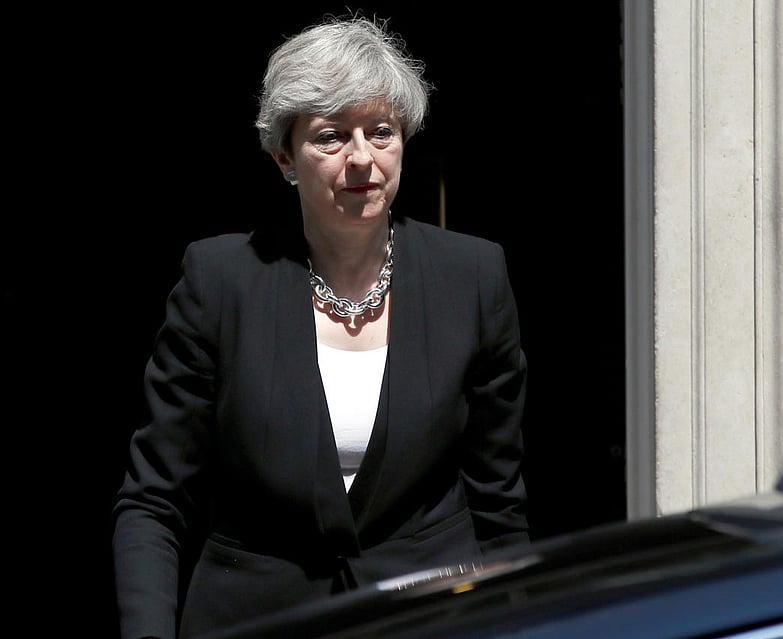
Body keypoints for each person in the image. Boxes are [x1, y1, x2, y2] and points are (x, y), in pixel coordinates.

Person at [111, 14, 529, 639]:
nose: (362, 158)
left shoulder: (473, 274)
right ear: (284, 157)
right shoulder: (220, 278)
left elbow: (498, 500)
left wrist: (521, 620)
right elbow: (154, 499)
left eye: (381, 132)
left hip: (432, 618)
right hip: (255, 619)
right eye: (332, 137)